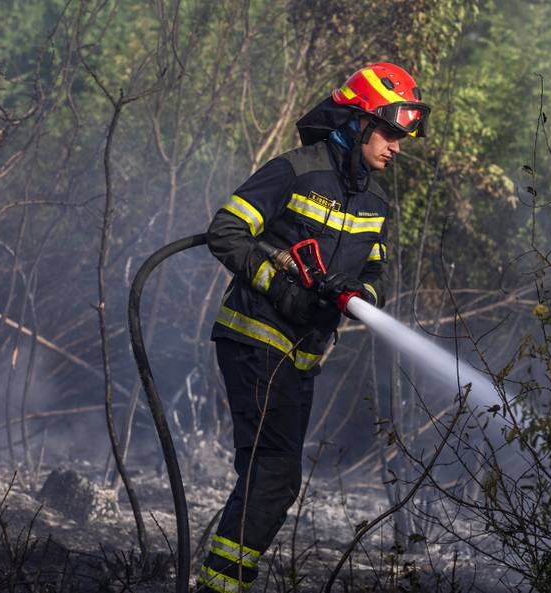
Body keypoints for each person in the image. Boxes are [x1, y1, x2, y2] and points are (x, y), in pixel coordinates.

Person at [196, 63, 430, 592]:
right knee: (274, 476)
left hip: (301, 356)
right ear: (356, 121)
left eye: (402, 138)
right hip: (256, 338)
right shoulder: (296, 171)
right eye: (390, 133)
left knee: (271, 477)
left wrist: (360, 298)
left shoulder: (375, 203)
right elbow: (226, 232)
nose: (397, 147)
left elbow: (375, 272)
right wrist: (282, 290)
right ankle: (220, 585)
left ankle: (220, 580)